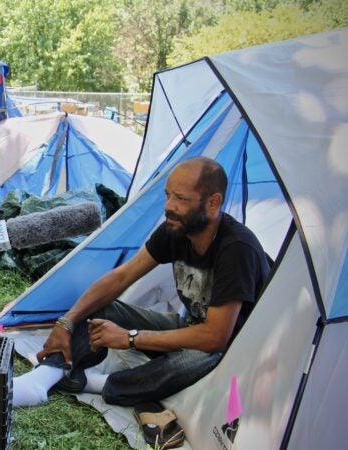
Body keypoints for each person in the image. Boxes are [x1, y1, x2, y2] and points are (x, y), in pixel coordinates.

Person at [13, 157, 271, 407]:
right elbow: (123, 275)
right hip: (189, 326)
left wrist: (131, 338)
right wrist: (67, 321)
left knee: (196, 357)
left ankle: (99, 383)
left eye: (180, 198)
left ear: (213, 203)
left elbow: (215, 337)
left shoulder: (237, 249)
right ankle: (44, 377)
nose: (169, 206)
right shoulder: (176, 229)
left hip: (230, 348)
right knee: (101, 308)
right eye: (168, 195)